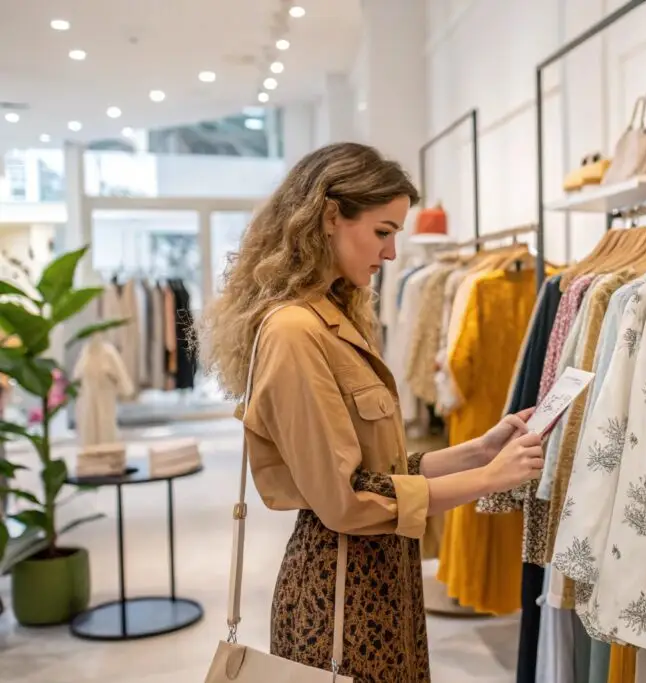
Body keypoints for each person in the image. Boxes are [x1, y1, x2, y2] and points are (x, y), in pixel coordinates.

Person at [198, 142, 543, 682]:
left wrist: (478, 450)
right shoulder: (295, 332)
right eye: (383, 232)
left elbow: (378, 472)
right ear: (330, 216)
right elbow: (345, 501)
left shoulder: (334, 316)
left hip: (380, 580)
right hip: (340, 598)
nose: (390, 254)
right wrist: (485, 479)